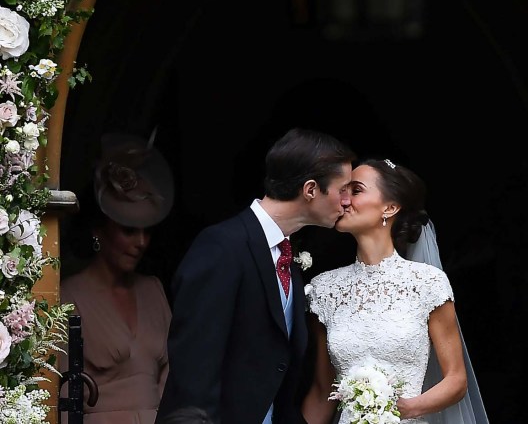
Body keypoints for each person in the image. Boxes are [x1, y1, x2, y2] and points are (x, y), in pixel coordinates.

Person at [156, 127, 357, 424]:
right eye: (342, 190)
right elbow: (194, 369)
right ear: (311, 190)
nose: (346, 201)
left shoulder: (288, 255)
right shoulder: (221, 247)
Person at [303, 158, 488, 424]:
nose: (343, 200)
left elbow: (456, 379)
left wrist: (402, 410)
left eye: (355, 190)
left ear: (389, 208)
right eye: (343, 191)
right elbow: (322, 393)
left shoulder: (428, 283)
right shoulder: (324, 290)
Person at [60, 131, 175, 424]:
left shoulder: (154, 290)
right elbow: (58, 396)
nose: (141, 242)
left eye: (146, 231)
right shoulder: (68, 296)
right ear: (99, 230)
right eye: (128, 230)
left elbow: (173, 377)